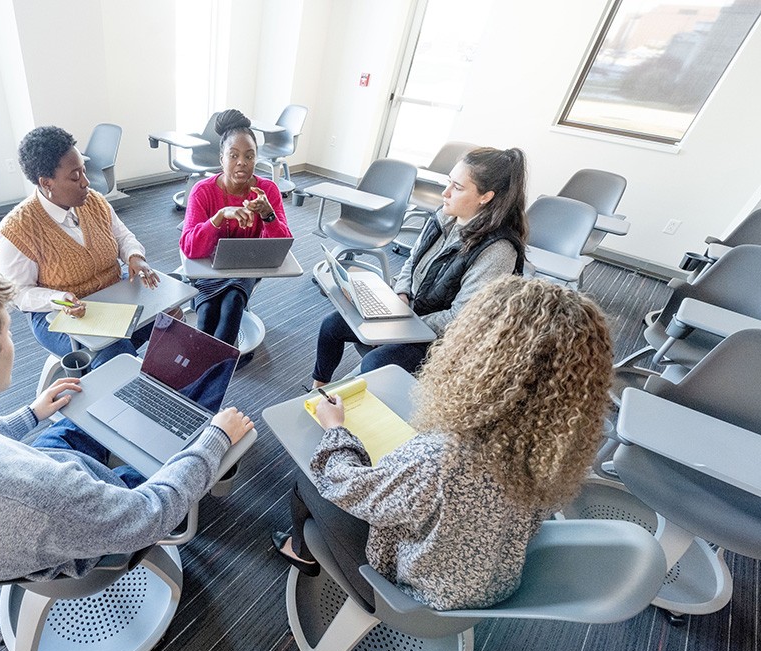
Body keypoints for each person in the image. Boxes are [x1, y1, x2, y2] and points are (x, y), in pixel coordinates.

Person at [0, 248, 253, 583]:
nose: (12, 340)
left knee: (84, 409)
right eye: (7, 330)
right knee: (191, 444)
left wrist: (31, 415)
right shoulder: (44, 494)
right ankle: (198, 425)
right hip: (70, 534)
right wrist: (213, 441)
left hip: (3, 512)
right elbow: (145, 517)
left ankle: (151, 407)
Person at [274, 276, 613, 610]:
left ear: (481, 356)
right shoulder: (553, 448)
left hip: (416, 600)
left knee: (309, 475)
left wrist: (335, 429)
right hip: (491, 581)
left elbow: (341, 484)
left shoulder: (441, 460)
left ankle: (298, 549)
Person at [310, 146, 528, 387]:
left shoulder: (497, 251)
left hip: (442, 339)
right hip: (409, 316)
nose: (445, 193)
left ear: (485, 196)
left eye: (457, 187)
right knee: (332, 325)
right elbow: (411, 261)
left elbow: (459, 318)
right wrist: (401, 295)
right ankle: (317, 391)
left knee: (375, 364)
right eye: (449, 182)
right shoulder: (445, 216)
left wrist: (403, 327)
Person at [0, 125, 164, 369]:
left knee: (170, 317)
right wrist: (59, 299)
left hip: (111, 297)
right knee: (114, 350)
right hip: (58, 315)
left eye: (84, 171)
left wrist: (134, 256)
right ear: (46, 183)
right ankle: (133, 394)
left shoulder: (93, 200)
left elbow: (122, 236)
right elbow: (18, 293)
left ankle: (167, 388)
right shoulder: (18, 229)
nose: (86, 182)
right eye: (75, 176)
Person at [180, 109, 292, 348]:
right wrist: (218, 217)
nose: (242, 162)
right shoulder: (203, 190)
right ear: (221, 158)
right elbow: (190, 248)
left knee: (232, 304)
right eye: (234, 155)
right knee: (208, 312)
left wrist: (267, 214)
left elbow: (281, 247)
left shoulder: (267, 190)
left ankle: (217, 368)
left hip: (246, 267)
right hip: (208, 268)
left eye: (249, 156)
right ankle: (207, 367)